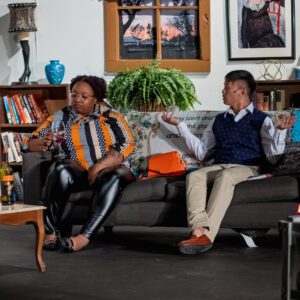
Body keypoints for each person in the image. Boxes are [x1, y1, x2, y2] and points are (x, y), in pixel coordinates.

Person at [162, 70, 295, 255]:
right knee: (195, 175)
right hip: (219, 165)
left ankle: (208, 234)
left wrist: (279, 132)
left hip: (248, 167)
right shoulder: (218, 121)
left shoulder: (262, 119)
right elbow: (201, 153)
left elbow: (272, 156)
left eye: (226, 87)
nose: (222, 91)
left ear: (240, 91)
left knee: (225, 177)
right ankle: (198, 231)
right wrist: (180, 126)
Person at [28, 75, 135, 253]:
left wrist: (97, 166)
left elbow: (126, 144)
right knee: (60, 167)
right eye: (74, 95)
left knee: (115, 175)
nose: (77, 100)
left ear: (96, 99)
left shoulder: (110, 115)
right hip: (78, 170)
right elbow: (32, 142)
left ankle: (84, 237)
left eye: (84, 96)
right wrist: (44, 142)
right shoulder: (62, 116)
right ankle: (51, 233)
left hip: (109, 169)